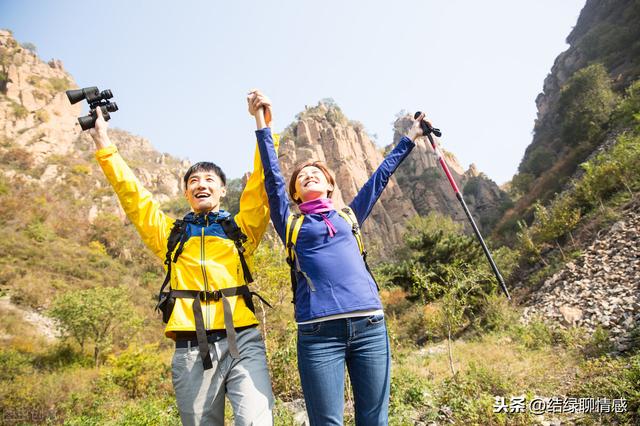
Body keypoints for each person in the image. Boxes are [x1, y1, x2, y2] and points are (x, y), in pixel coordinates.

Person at [87, 106, 276, 425]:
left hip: (242, 338)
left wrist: (263, 124)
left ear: (222, 189)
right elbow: (133, 197)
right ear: (186, 192)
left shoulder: (241, 229)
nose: (201, 184)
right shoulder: (170, 234)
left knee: (257, 421)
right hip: (192, 347)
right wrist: (103, 141)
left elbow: (261, 185)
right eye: (194, 181)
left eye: (209, 179)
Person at [248, 90, 426, 425]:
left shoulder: (349, 216)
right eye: (302, 176)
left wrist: (410, 137)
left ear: (331, 186)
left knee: (374, 419)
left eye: (317, 173)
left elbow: (380, 177)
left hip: (370, 325)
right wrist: (261, 122)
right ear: (296, 194)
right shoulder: (291, 223)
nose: (309, 175)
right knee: (328, 422)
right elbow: (272, 176)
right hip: (318, 333)